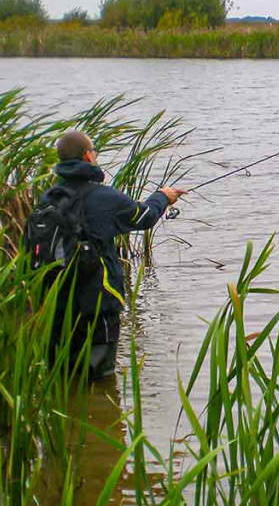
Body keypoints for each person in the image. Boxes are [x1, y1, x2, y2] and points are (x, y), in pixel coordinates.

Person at [47, 130, 185, 379]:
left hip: (57, 303)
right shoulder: (102, 196)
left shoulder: (49, 197)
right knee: (100, 379)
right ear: (88, 156)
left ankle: (70, 411)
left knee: (65, 375)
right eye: (94, 151)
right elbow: (145, 216)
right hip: (97, 304)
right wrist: (163, 197)